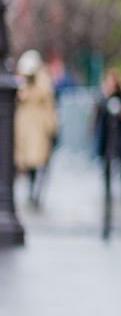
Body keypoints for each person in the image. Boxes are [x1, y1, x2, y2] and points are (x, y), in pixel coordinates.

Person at [14, 50, 58, 209]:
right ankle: (31, 191)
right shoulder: (22, 84)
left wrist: (52, 128)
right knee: (28, 164)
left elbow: (49, 107)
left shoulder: (43, 83)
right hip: (26, 129)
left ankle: (36, 193)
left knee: (41, 163)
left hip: (39, 130)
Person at [93, 69, 121, 201]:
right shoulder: (102, 99)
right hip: (106, 137)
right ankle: (107, 190)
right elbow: (97, 118)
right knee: (106, 165)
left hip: (120, 136)